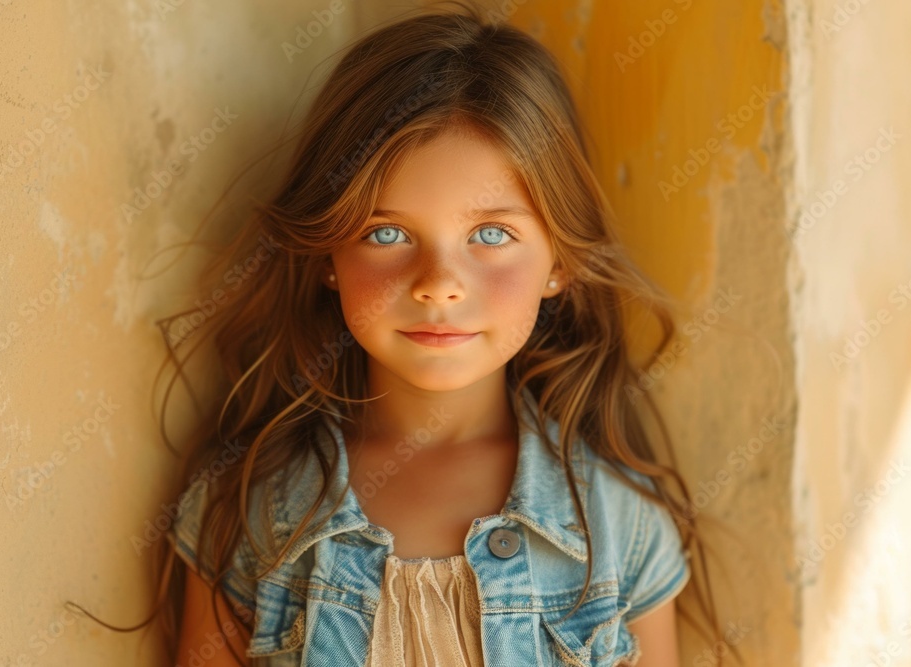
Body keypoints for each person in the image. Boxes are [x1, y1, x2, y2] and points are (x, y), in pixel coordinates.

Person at [71, 2, 738, 665]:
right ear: (329, 255)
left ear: (560, 261)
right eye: (386, 233)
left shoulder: (622, 530)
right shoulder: (245, 514)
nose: (438, 282)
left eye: (491, 235)